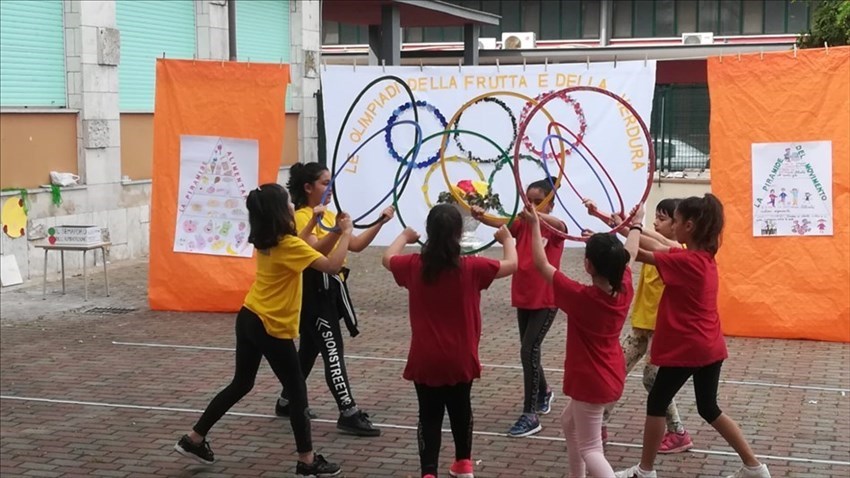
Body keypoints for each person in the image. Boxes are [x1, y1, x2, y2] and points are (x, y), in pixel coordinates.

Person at [173, 183, 347, 477]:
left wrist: (321, 224)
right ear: (282, 211)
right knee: (296, 390)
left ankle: (194, 439)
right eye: (288, 201)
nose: (293, 204)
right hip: (271, 325)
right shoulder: (287, 244)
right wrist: (346, 231)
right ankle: (307, 461)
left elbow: (304, 246)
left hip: (250, 316)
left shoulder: (270, 239)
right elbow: (331, 266)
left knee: (242, 383)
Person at [615, 194, 771, 478]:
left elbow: (638, 254)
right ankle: (755, 467)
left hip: (689, 347)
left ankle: (645, 471)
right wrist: (624, 227)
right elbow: (658, 245)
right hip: (710, 346)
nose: (671, 225)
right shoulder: (702, 258)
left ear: (689, 226)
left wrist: (634, 229)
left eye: (674, 221)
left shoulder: (687, 262)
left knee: (657, 402)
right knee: (709, 408)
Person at [382, 204, 517, 478]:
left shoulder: (413, 265)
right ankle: (463, 464)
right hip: (460, 356)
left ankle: (429, 472)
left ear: (429, 232)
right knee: (461, 410)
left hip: (425, 357)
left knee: (429, 416)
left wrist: (404, 237)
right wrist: (507, 241)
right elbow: (512, 264)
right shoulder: (473, 267)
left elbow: (387, 258)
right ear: (458, 233)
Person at [276, 162, 394, 437]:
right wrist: (338, 230)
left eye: (331, 182)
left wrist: (380, 221)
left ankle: (286, 400)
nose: (330, 189)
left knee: (308, 350)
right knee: (332, 351)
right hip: (314, 291)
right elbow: (316, 251)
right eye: (324, 183)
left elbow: (356, 244)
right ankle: (348, 411)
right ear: (308, 188)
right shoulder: (305, 216)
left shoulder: (326, 215)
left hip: (327, 291)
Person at [526, 202, 642, 477]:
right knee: (569, 422)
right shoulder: (624, 286)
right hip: (610, 373)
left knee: (591, 448)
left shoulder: (581, 298)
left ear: (588, 265)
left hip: (591, 380)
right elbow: (632, 251)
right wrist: (636, 222)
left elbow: (541, 264)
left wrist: (534, 225)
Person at [584, 198, 694, 453]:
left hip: (663, 329)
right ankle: (599, 424)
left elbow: (642, 238)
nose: (656, 222)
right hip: (641, 325)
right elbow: (634, 235)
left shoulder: (678, 249)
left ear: (678, 225)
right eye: (655, 216)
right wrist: (600, 215)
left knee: (652, 379)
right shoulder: (657, 243)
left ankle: (677, 431)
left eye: (664, 219)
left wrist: (629, 224)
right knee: (614, 369)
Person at [471, 177, 566, 438]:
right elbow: (501, 222)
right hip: (523, 297)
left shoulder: (554, 229)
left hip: (547, 299)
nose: (532, 206)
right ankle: (544, 392)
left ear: (550, 204)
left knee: (528, 350)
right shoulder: (522, 223)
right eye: (529, 201)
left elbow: (561, 224)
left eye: (539, 202)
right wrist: (481, 216)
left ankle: (530, 414)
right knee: (528, 349)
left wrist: (536, 216)